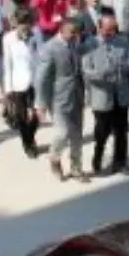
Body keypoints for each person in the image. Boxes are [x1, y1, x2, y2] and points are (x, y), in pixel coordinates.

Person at [81, 7, 129, 176]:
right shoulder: (89, 44)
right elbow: (85, 71)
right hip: (101, 95)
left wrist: (123, 67)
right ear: (99, 28)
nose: (110, 34)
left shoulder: (123, 41)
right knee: (102, 131)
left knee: (121, 131)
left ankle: (121, 162)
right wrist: (101, 74)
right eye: (106, 31)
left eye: (113, 30)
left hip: (121, 94)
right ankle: (98, 157)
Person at [34, 17, 88, 183]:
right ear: (62, 30)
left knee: (77, 135)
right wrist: (41, 104)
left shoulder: (76, 45)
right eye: (72, 33)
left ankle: (76, 168)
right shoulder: (50, 48)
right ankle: (54, 158)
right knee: (62, 133)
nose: (75, 36)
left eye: (77, 33)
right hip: (58, 99)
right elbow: (41, 78)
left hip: (77, 95)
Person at [1, 8, 41, 159]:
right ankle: (28, 143)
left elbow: (41, 56)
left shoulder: (36, 34)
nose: (25, 26)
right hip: (18, 83)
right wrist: (8, 87)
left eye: (28, 23)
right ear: (16, 24)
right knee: (21, 116)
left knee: (37, 115)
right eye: (22, 24)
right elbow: (7, 64)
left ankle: (30, 136)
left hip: (35, 81)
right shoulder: (8, 39)